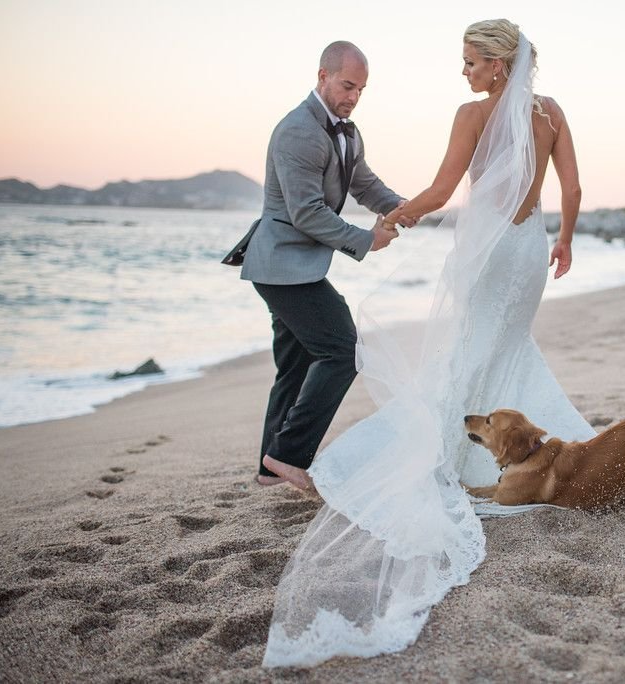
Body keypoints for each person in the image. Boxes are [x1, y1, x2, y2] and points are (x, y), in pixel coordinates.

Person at [263, 20, 595, 667]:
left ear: (499, 66)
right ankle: (509, 455)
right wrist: (566, 239)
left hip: (490, 250)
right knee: (501, 350)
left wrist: (391, 220)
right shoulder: (551, 113)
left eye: (471, 62)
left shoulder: (472, 114)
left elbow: (444, 192)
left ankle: (435, 458)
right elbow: (572, 189)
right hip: (528, 252)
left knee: (465, 357)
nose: (464, 72)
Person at [237, 41, 415, 493]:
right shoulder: (298, 130)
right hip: (279, 265)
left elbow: (364, 184)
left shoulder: (347, 132)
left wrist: (402, 207)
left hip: (299, 267)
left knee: (295, 366)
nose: (354, 96)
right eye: (347, 85)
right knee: (342, 350)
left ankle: (268, 468)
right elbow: (307, 213)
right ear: (322, 76)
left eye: (361, 89)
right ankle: (289, 455)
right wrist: (366, 240)